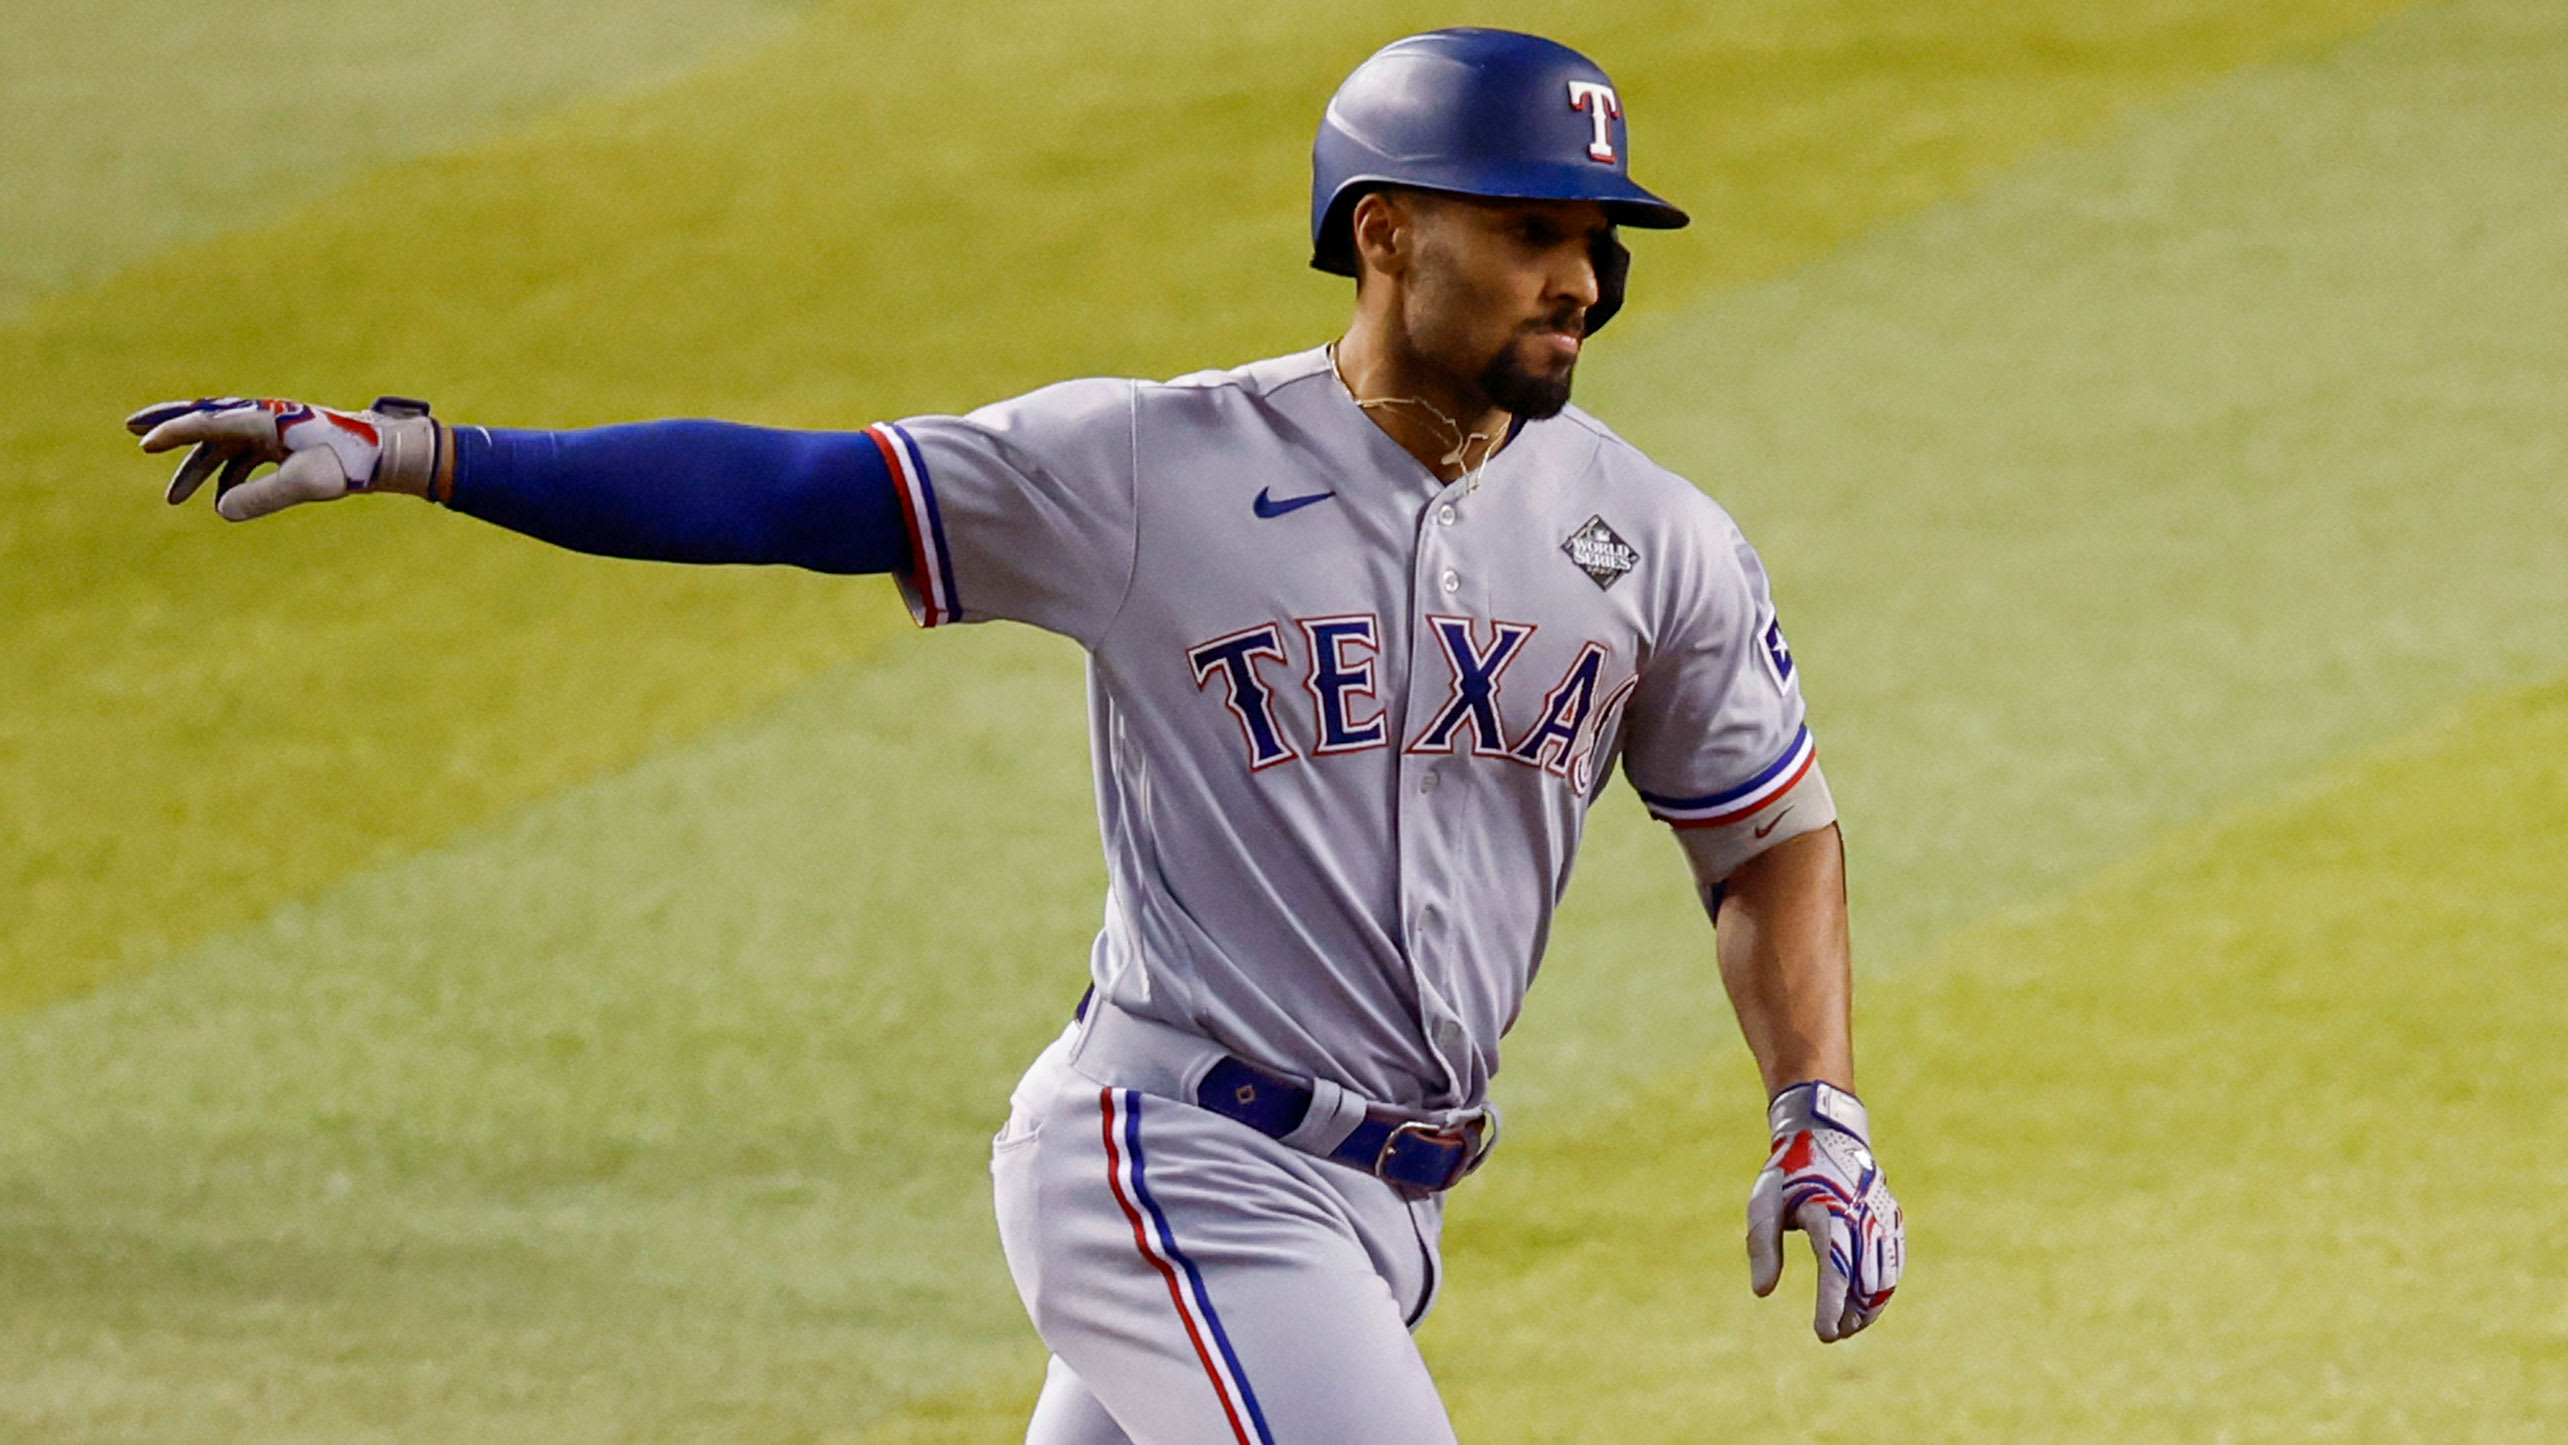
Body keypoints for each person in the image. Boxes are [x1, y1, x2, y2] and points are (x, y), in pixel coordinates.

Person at [126, 28, 1901, 1444]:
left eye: (1595, 240)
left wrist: (1815, 1107)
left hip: (1391, 1212)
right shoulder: (1151, 469)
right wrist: (430, 448)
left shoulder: (1651, 538)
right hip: (1174, 1159)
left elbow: (1765, 829)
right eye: (1532, 230)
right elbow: (797, 490)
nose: (1580, 277)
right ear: (1385, 231)